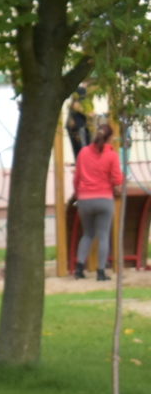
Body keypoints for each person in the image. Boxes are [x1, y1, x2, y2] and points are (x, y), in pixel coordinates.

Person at [73, 116, 126, 282]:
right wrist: (117, 186)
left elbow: (77, 178)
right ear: (109, 138)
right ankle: (101, 272)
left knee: (87, 234)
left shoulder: (83, 152)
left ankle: (79, 268)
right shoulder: (111, 155)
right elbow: (117, 180)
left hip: (85, 200)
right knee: (103, 235)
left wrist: (78, 194)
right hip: (104, 199)